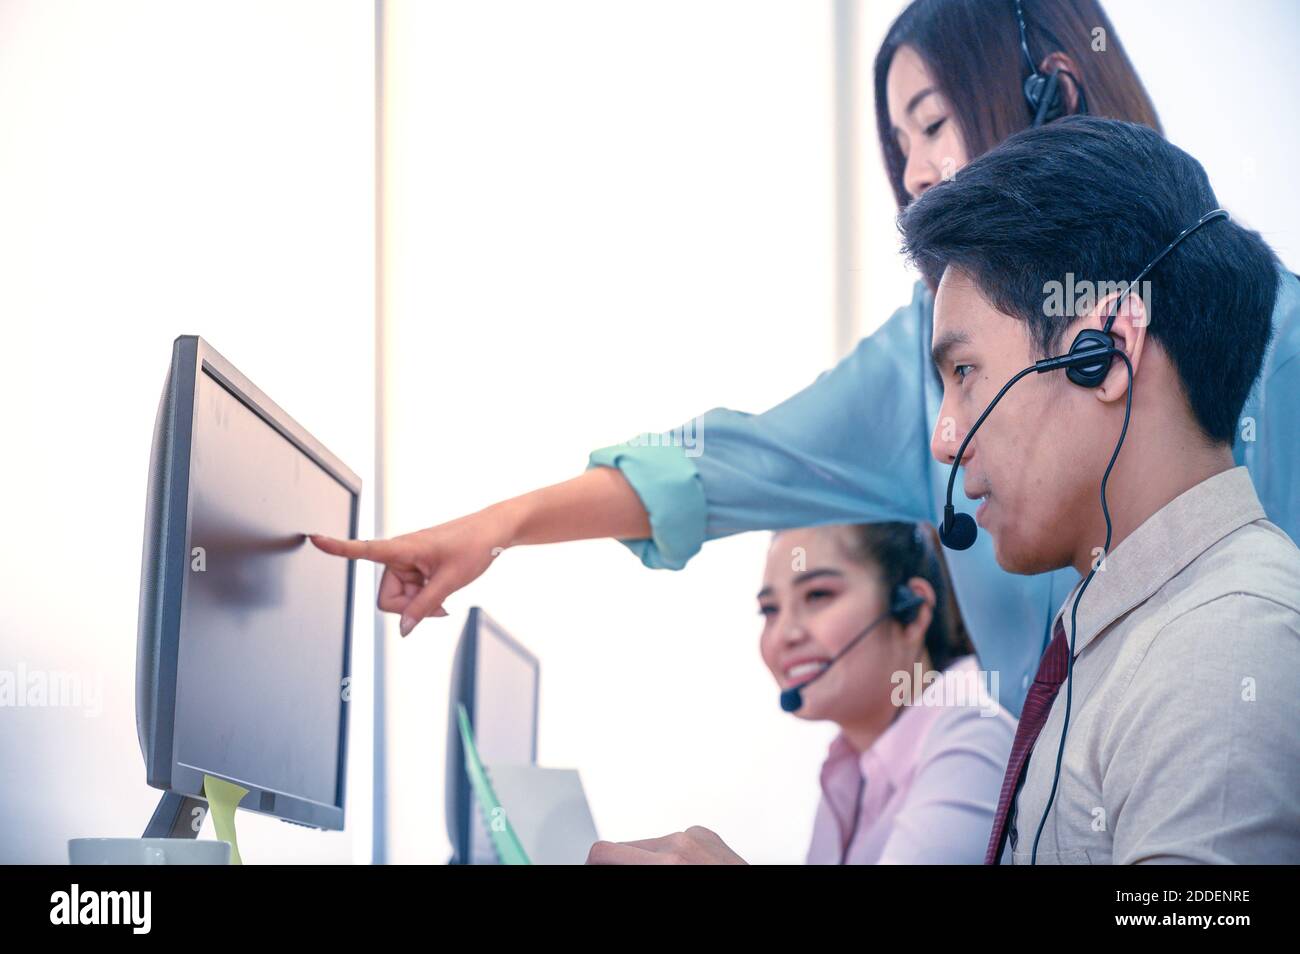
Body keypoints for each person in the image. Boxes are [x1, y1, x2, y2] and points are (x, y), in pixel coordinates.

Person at [311, 0, 1300, 724]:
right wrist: (500, 526)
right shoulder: (917, 364)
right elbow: (727, 463)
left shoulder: (1280, 337)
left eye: (931, 123)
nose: (911, 173)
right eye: (895, 141)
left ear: (1054, 93)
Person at [901, 116, 1300, 864]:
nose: (943, 436)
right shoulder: (1122, 631)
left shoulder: (1228, 647)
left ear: (1103, 354)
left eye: (964, 374)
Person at [589, 522, 1015, 865]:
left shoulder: (973, 727)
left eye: (818, 595)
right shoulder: (847, 763)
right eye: (770, 610)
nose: (785, 634)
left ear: (911, 608)